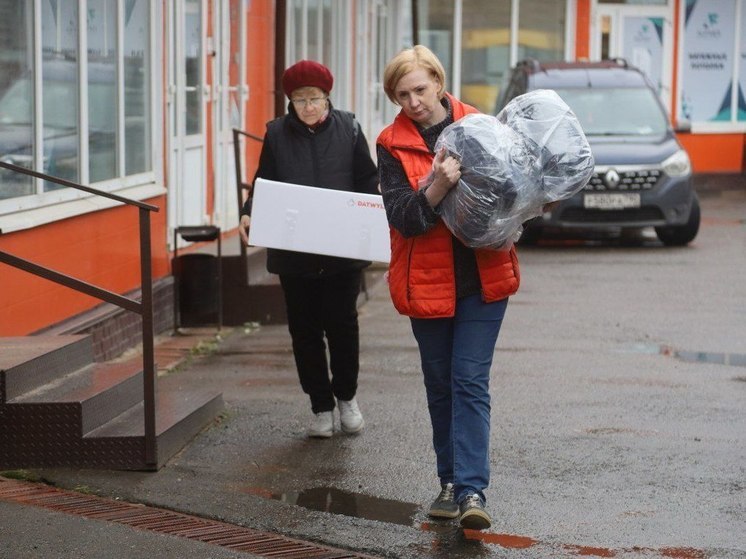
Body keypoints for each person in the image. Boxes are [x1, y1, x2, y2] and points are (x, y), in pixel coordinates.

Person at [376, 45, 521, 531]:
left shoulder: (479, 126)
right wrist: (436, 186)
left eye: (420, 89)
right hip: (427, 284)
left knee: (468, 380)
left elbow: (512, 192)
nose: (414, 101)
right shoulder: (391, 143)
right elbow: (404, 219)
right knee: (441, 386)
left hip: (483, 277)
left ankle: (472, 489)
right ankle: (449, 481)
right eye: (402, 94)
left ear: (438, 81)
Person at [239, 60, 379, 439]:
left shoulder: (349, 128)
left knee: (343, 327)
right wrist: (250, 212)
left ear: (327, 97)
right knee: (304, 331)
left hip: (341, 251)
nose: (308, 107)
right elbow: (262, 182)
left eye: (314, 98)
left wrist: (370, 216)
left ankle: (347, 398)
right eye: (299, 100)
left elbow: (368, 180)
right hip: (294, 252)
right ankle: (320, 406)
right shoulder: (277, 134)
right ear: (290, 102)